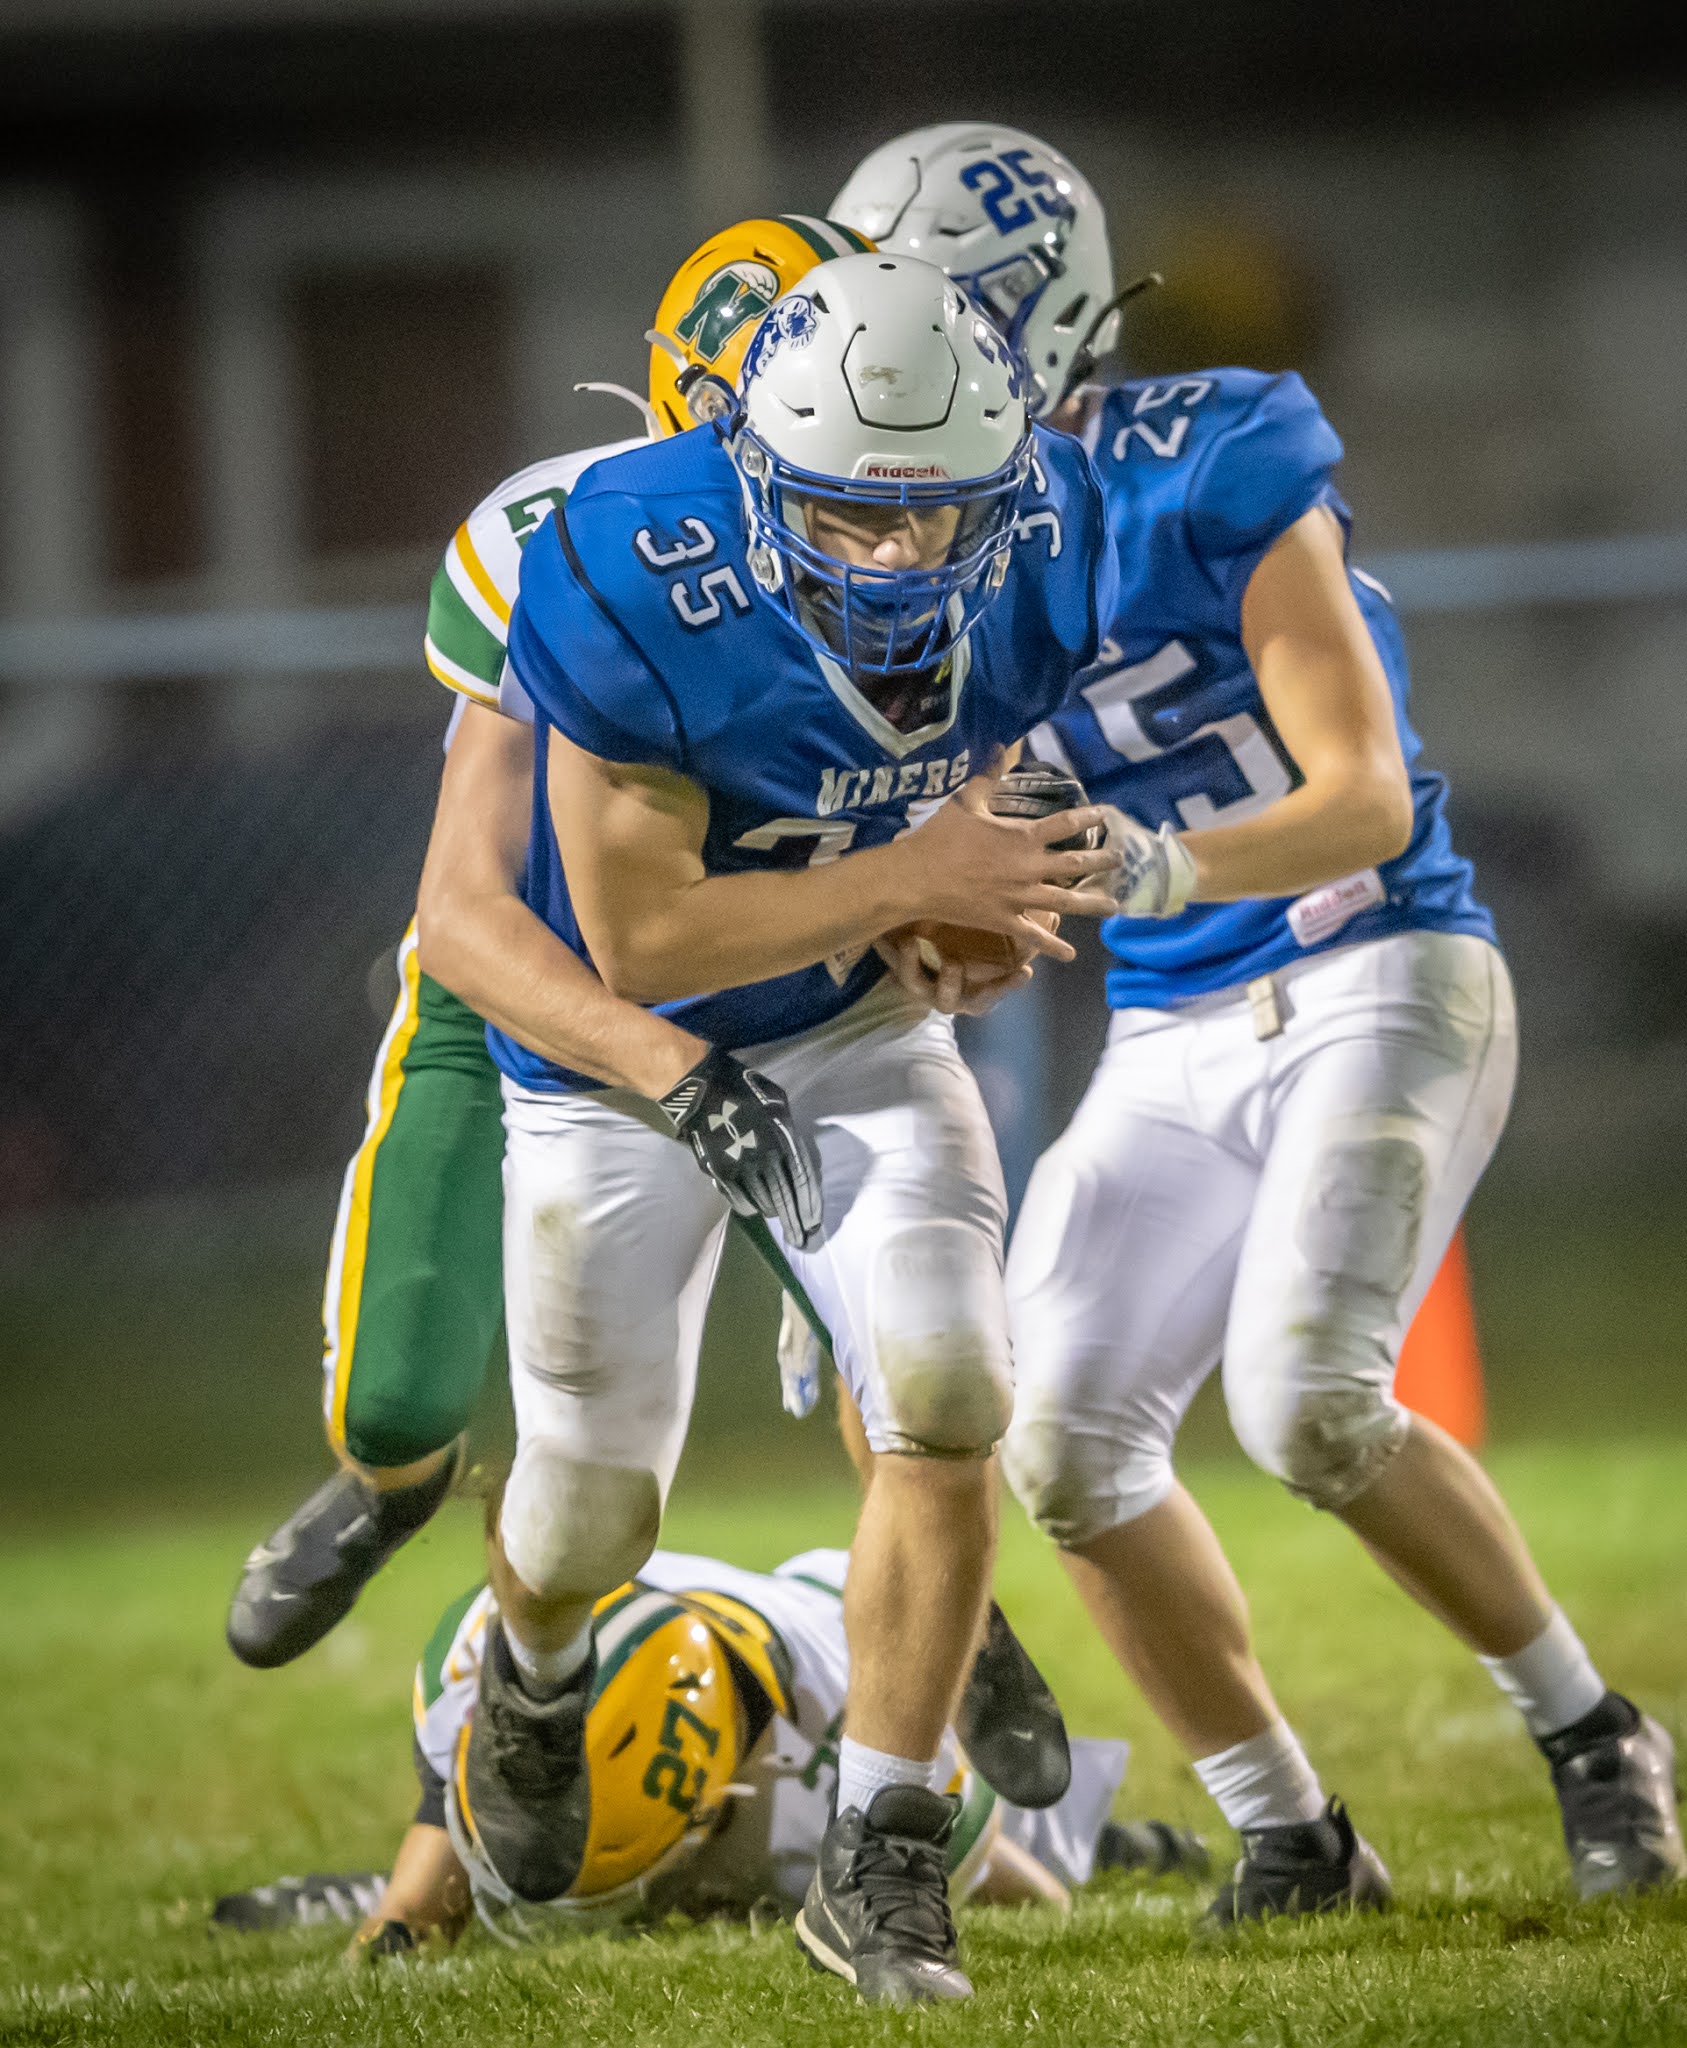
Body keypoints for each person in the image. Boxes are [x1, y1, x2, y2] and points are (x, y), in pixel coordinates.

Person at [833, 124, 1687, 1914]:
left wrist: (1144, 868)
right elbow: (977, 870)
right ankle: (1291, 1831)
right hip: (1170, 1029)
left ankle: (1589, 1727)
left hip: (1377, 962)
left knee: (1304, 1399)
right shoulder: (918, 556)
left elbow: (1363, 795)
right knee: (1058, 1441)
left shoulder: (1202, 455)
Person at [468, 250, 1119, 2006]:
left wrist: (963, 901)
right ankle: (530, 1668)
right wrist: (913, 870)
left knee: (949, 1382)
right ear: (758, 481)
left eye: (936, 522)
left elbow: (967, 757)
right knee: (590, 1506)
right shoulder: (623, 561)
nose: (897, 560)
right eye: (847, 519)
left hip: (843, 1026)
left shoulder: (1053, 537)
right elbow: (643, 937)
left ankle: (885, 1850)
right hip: (615, 1065)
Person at [225, 219, 869, 1672]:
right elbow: (469, 903)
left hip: (766, 977)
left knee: (902, 1334)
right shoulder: (558, 537)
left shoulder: (909, 541)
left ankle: (942, 1609)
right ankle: (390, 1486)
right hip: (534, 975)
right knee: (400, 1396)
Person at [210, 1533, 1204, 1953]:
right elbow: (450, 1777)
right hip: (730, 1640)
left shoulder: (839, 1757)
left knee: (1029, 1845)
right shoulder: (491, 1651)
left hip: (837, 1665)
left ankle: (1117, 1835)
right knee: (452, 1886)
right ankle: (386, 1881)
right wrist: (399, 1912)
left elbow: (1034, 1900)